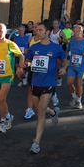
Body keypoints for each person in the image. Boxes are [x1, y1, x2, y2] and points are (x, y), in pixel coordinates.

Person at [22, 23, 67, 154]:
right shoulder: (34, 48)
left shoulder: (56, 48)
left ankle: (36, 143)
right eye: (36, 30)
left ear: (47, 32)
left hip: (49, 83)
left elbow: (65, 60)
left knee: (40, 111)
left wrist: (63, 68)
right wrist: (25, 64)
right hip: (35, 82)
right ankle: (53, 113)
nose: (37, 32)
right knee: (38, 109)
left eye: (40, 30)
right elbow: (29, 61)